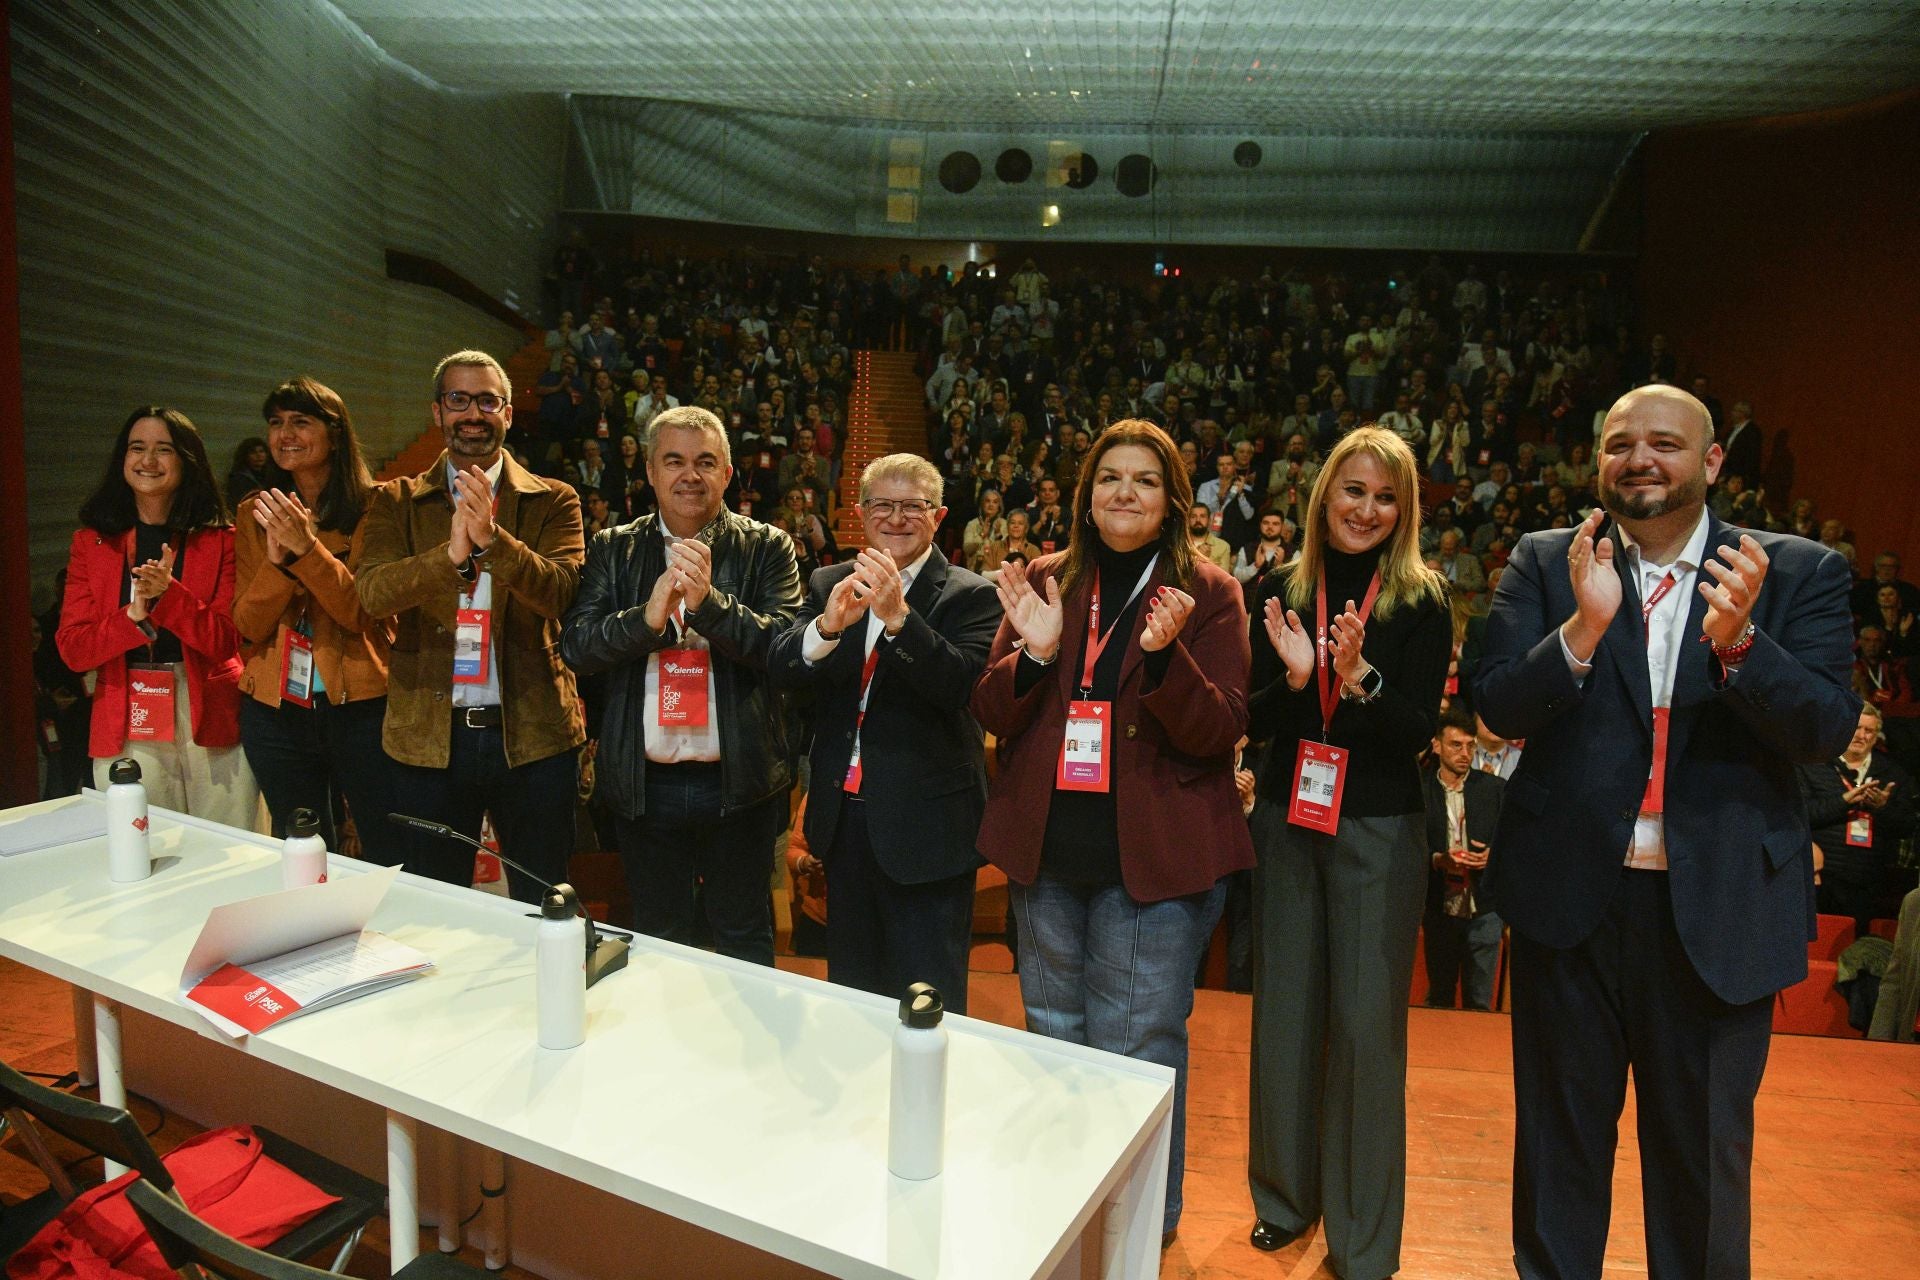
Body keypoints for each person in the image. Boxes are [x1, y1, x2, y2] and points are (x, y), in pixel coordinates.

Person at [1474, 384, 1857, 1280]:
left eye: (1664, 443)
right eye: (1619, 444)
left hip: (1720, 911)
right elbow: (1492, 705)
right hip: (1570, 907)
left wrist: (1740, 648)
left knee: (1702, 1173)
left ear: (1713, 461)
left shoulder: (1796, 571)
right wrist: (1582, 628)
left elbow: (1826, 731)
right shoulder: (1545, 560)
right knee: (1558, 1160)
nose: (1638, 459)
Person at [972, 418, 1251, 1243]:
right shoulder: (1046, 579)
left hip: (1157, 861)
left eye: (1145, 481)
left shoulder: (1209, 592)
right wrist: (1033, 653)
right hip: (1050, 853)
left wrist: (1168, 662)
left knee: (1138, 1046)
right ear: (1086, 496)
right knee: (1056, 1042)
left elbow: (1220, 728)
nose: (1125, 493)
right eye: (1109, 478)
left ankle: (1140, 1227)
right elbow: (990, 709)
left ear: (1171, 504)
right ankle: (1067, 1217)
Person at [1243, 425, 1450, 1278]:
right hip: (1289, 819)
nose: (1366, 509)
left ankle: (1363, 1238)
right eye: (1352, 490)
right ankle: (1285, 1204)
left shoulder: (1422, 599)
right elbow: (1256, 719)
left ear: (1403, 511)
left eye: (1385, 496)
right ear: (1323, 493)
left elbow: (1417, 733)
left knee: (1366, 1031)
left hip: (1378, 827)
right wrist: (1297, 682)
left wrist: (1359, 677)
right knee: (1285, 1014)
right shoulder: (1278, 587)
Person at [559, 406, 802, 964]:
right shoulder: (612, 547)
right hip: (646, 786)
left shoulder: (768, 546)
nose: (689, 475)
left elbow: (784, 650)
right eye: (674, 461)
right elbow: (577, 646)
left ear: (728, 473)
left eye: (704, 462)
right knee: (660, 940)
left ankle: (743, 1055)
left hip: (738, 784)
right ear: (649, 470)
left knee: (743, 936)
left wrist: (709, 607)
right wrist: (647, 621)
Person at [767, 454, 1001, 1009]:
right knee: (853, 996)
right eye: (882, 506)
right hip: (844, 824)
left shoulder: (970, 594)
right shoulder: (829, 582)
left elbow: (961, 688)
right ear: (860, 515)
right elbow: (785, 668)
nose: (896, 518)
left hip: (930, 832)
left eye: (912, 507)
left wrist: (900, 621)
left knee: (927, 1000)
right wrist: (826, 628)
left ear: (939, 516)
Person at [356, 351, 586, 900]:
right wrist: (451, 555)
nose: (473, 413)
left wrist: (492, 542)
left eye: (487, 400)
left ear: (508, 412)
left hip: (533, 739)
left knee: (546, 903)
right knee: (437, 911)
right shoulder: (396, 501)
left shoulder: (553, 500)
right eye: (458, 400)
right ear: (437, 412)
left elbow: (561, 594)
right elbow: (372, 593)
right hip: (428, 741)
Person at [58, 407, 258, 826]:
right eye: (137, 448)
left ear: (187, 461)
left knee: (228, 846)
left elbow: (225, 640)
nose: (148, 461)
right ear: (122, 459)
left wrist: (169, 597)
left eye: (163, 449)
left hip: (207, 708)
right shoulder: (90, 542)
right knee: (144, 844)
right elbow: (74, 650)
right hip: (127, 708)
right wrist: (132, 616)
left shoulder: (222, 539)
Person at [232, 377, 402, 862]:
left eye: (300, 422)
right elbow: (247, 622)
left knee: (386, 845)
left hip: (362, 705)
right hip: (274, 710)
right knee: (303, 851)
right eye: (276, 422)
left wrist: (306, 548)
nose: (285, 434)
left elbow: (360, 611)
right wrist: (279, 563)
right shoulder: (253, 513)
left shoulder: (379, 506)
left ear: (334, 433)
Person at [1798, 701, 1917, 935]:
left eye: (1869, 730)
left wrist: (1882, 807)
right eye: (1856, 728)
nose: (1861, 736)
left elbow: (1907, 825)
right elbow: (1801, 814)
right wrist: (1844, 801)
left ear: (1876, 735)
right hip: (1821, 876)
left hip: (1869, 879)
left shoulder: (1892, 773)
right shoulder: (1813, 765)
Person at [1421, 706, 1506, 1010]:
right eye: (1456, 745)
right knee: (1439, 996)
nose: (1465, 753)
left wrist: (1492, 856)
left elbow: (1517, 839)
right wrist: (1438, 859)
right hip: (1439, 904)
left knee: (1480, 1001)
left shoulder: (1494, 788)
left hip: (1484, 906)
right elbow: (1409, 846)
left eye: (1470, 746)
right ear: (1437, 745)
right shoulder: (1421, 789)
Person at [224, 436, 271, 512]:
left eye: (261, 451)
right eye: (253, 452)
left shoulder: (272, 476)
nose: (259, 455)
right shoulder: (238, 479)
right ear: (245, 456)